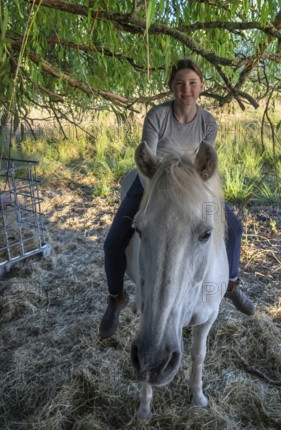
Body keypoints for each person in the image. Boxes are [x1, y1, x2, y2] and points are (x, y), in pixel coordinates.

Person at [99, 58, 255, 339]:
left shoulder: (208, 122)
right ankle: (115, 298)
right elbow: (148, 157)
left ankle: (231, 283)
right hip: (154, 180)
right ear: (171, 87)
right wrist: (164, 181)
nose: (187, 89)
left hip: (192, 183)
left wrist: (191, 183)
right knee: (113, 242)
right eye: (180, 84)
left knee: (234, 228)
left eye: (192, 83)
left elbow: (203, 162)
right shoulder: (157, 116)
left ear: (201, 87)